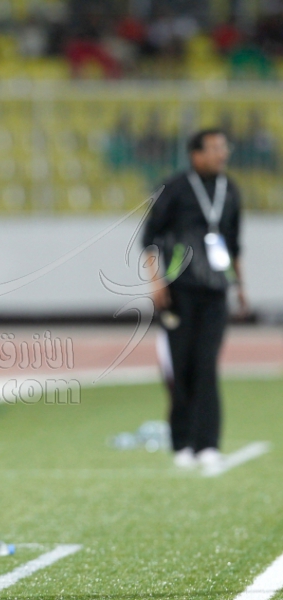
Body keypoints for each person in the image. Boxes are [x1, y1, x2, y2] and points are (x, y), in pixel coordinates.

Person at [142, 128, 248, 470]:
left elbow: (234, 243)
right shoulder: (174, 188)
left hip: (216, 291)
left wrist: (239, 285)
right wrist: (156, 282)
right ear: (196, 154)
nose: (222, 154)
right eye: (215, 148)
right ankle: (182, 443)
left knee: (207, 365)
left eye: (224, 147)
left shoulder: (230, 190)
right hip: (180, 290)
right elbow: (150, 237)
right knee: (181, 366)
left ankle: (208, 444)